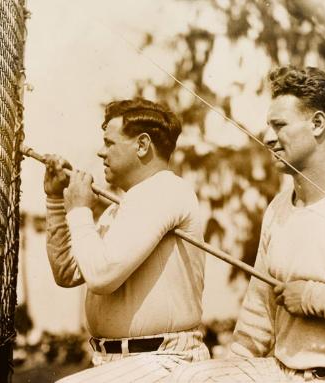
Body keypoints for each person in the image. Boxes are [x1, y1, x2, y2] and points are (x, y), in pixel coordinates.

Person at [169, 66, 325, 382]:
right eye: (268, 126)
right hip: (285, 374)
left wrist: (314, 298)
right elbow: (257, 315)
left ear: (318, 124)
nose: (267, 138)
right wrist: (231, 370)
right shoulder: (278, 208)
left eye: (279, 126)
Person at [43, 98, 210, 382]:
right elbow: (68, 272)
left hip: (165, 361)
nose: (100, 152)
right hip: (122, 363)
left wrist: (80, 210)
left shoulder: (165, 190)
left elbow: (101, 275)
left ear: (142, 145)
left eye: (110, 143)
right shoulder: (119, 208)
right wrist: (56, 202)